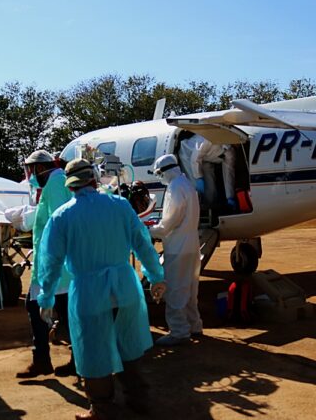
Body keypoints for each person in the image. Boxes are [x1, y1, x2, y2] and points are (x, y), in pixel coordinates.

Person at [36, 158, 167, 420]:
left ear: (70, 186)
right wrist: (156, 277)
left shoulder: (62, 216)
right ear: (95, 179)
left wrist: (47, 297)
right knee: (128, 347)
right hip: (125, 288)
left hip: (89, 293)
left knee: (94, 351)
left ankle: (102, 409)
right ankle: (139, 401)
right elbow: (142, 243)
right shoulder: (119, 206)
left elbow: (50, 263)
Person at [16, 150, 76, 378]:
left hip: (56, 266)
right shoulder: (56, 181)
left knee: (54, 311)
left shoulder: (56, 183)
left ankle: (56, 360)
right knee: (54, 311)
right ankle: (50, 359)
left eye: (31, 170)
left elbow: (58, 223)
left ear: (40, 168)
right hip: (53, 264)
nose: (30, 175)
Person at [149, 154, 203, 346]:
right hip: (192, 245)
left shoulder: (174, 188)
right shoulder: (187, 184)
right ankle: (194, 325)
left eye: (159, 174)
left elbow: (169, 223)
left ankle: (179, 331)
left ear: (165, 171)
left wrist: (149, 229)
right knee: (190, 288)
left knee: (175, 290)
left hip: (178, 247)